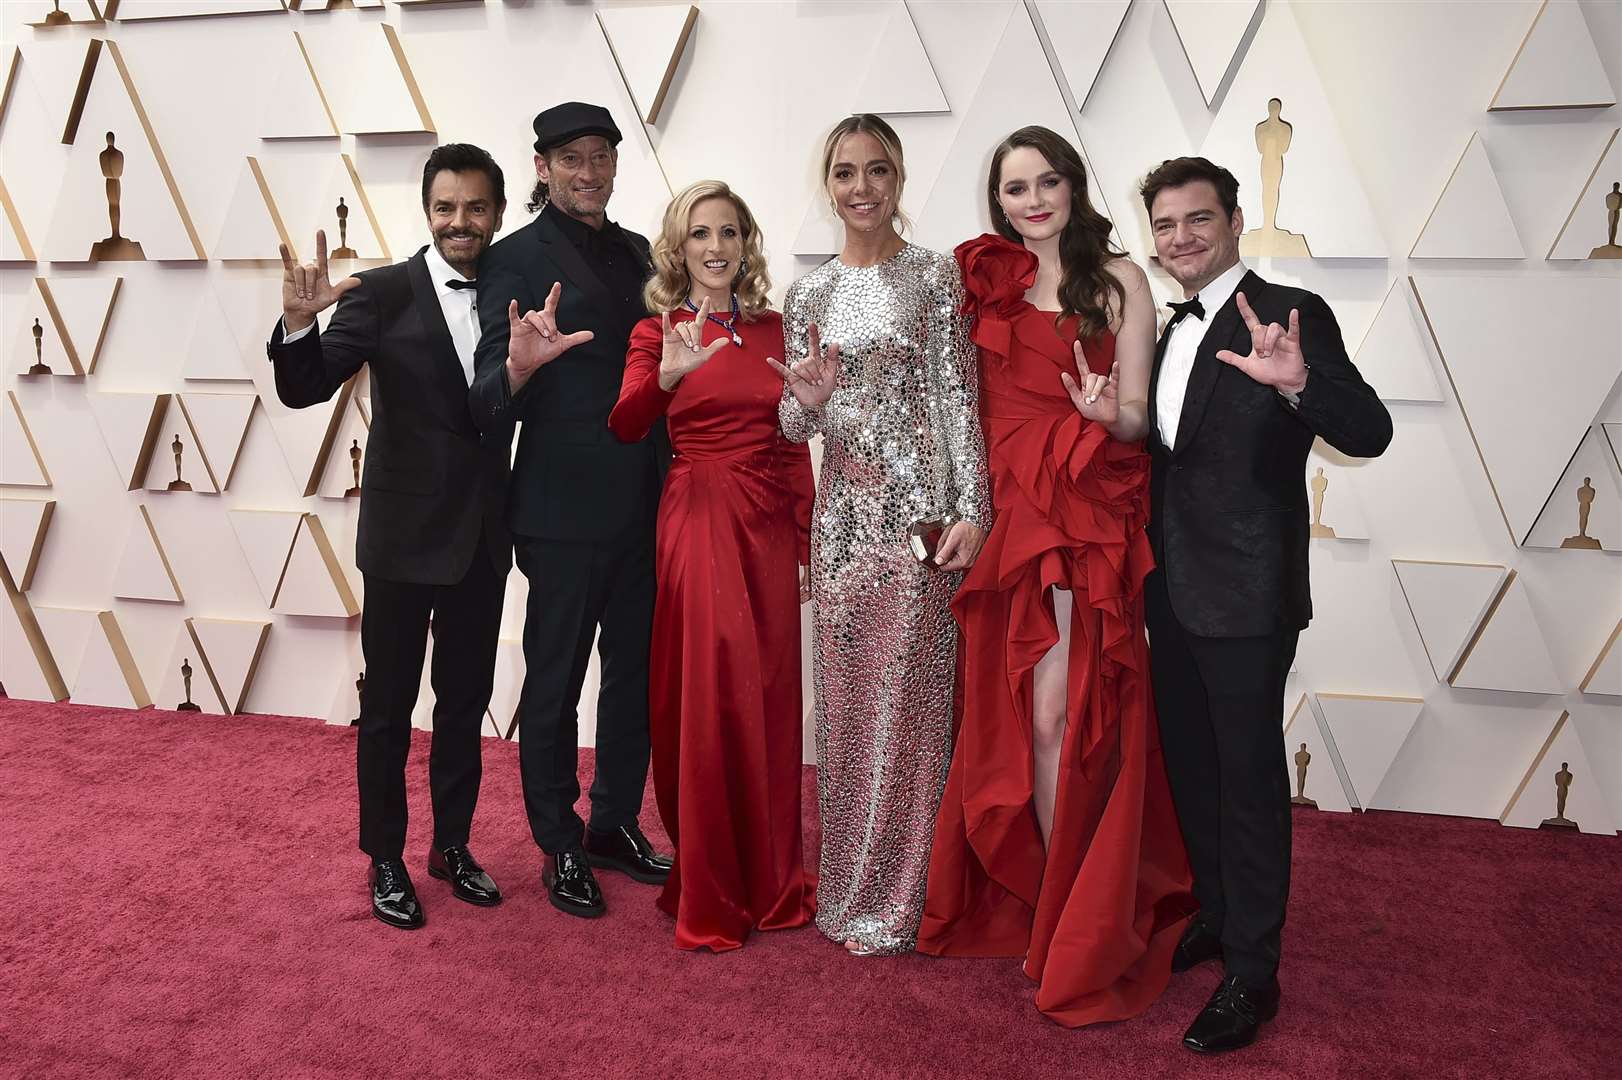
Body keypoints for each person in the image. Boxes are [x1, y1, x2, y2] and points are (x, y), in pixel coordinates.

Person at [918, 126, 1195, 1025]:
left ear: (1074, 187)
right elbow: (955, 406)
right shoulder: (985, 283)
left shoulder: (1120, 282)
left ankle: (1075, 906)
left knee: (1067, 712)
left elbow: (1138, 422)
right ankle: (1050, 901)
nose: (1031, 201)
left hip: (1078, 499)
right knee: (1022, 713)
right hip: (1006, 509)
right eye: (1013, 189)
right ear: (996, 200)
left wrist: (1106, 411)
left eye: (1046, 183)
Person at [1138, 156, 1392, 1052]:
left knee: (1247, 784)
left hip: (1247, 596)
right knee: (1193, 769)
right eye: (1166, 226)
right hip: (1168, 591)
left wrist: (1295, 382)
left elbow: (1369, 429)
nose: (1181, 240)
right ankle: (1215, 911)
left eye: (1197, 220)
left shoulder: (1288, 313)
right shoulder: (1170, 329)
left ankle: (1254, 971)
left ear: (1235, 220)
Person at [267, 143, 512, 930]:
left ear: (498, 214)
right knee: (390, 708)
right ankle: (385, 857)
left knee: (465, 700)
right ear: (426, 212)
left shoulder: (515, 290)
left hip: (481, 534)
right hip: (404, 537)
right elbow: (305, 387)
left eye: (475, 207)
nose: (460, 221)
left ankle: (452, 845)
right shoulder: (380, 292)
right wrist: (299, 325)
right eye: (446, 207)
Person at [771, 114, 990, 956]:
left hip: (917, 526)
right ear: (826, 183)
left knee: (912, 708)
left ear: (899, 177)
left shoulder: (933, 277)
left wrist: (973, 509)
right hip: (842, 526)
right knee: (847, 711)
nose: (861, 187)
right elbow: (794, 421)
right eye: (844, 172)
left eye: (876, 170)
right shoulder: (809, 294)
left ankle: (906, 896)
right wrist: (812, 399)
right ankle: (852, 885)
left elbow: (954, 398)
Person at [469, 102, 671, 919]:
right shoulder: (512, 260)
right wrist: (520, 368)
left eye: (603, 156)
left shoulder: (641, 254)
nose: (591, 171)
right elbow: (489, 392)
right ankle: (558, 843)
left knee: (636, 678)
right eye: (572, 158)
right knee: (553, 684)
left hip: (650, 504)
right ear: (543, 167)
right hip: (559, 513)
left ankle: (614, 820)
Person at [608, 181, 816, 951]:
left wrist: (804, 538)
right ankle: (711, 886)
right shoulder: (654, 330)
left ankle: (769, 879)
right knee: (708, 694)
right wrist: (667, 373)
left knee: (765, 693)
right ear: (679, 247)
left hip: (766, 525)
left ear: (745, 242)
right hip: (697, 519)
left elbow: (793, 440)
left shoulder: (775, 329)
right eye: (701, 234)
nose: (717, 247)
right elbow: (627, 425)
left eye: (729, 232)